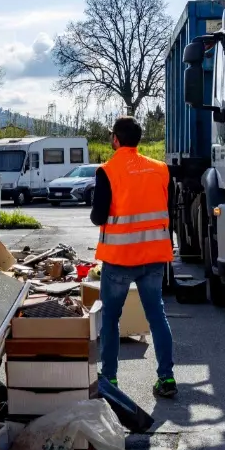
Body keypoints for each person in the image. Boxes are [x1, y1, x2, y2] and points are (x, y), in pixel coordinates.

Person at [89, 116, 176, 398]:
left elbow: (98, 216)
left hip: (120, 259)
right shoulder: (160, 169)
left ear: (116, 139)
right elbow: (167, 209)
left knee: (112, 320)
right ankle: (166, 378)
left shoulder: (107, 171)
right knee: (157, 316)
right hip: (153, 257)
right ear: (138, 139)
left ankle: (111, 379)